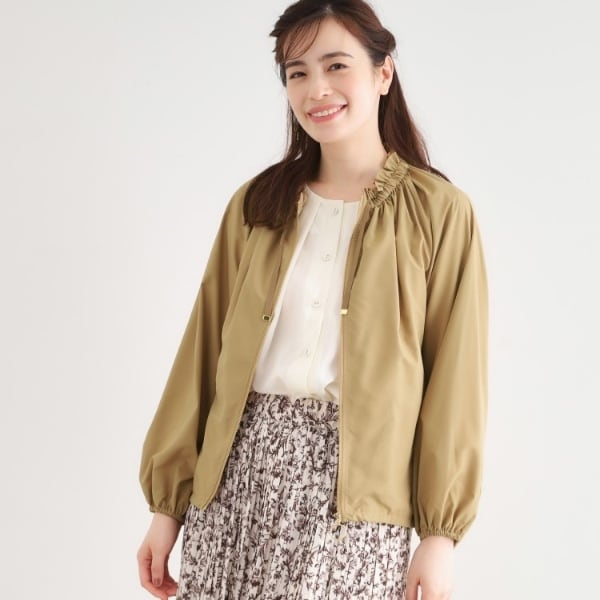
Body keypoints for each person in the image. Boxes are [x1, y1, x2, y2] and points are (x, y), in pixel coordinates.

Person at [136, 1, 488, 599]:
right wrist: (167, 508)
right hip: (235, 482)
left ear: (383, 72)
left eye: (335, 65)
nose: (315, 88)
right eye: (296, 72)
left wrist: (439, 536)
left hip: (357, 501)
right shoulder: (258, 204)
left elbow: (456, 381)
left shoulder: (439, 213)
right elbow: (202, 352)